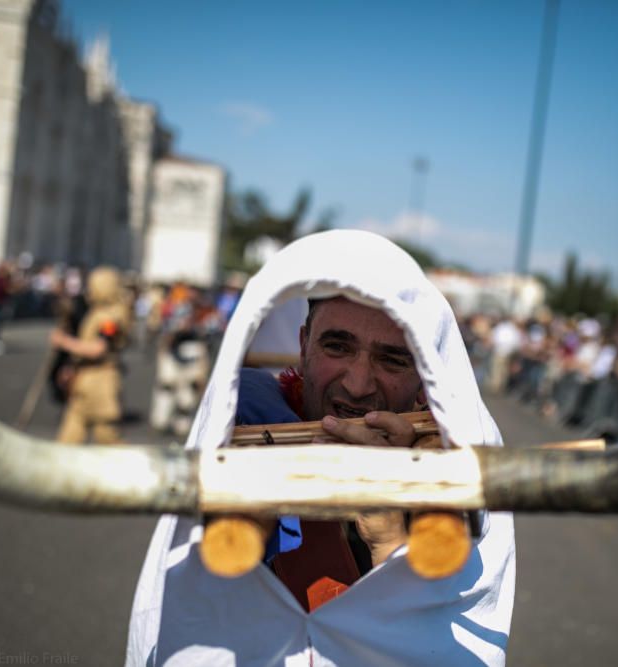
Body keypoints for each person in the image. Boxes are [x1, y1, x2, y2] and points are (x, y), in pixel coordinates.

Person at [126, 230, 515, 666]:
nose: (357, 384)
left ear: (425, 375)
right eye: (337, 346)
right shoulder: (243, 426)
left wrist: (390, 540)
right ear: (303, 345)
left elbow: (438, 649)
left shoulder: (453, 468)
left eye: (392, 359)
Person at [49, 266, 129, 444]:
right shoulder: (96, 312)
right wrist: (70, 367)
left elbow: (98, 349)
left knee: (107, 437)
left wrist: (65, 342)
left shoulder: (112, 317)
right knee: (68, 438)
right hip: (83, 380)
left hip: (102, 381)